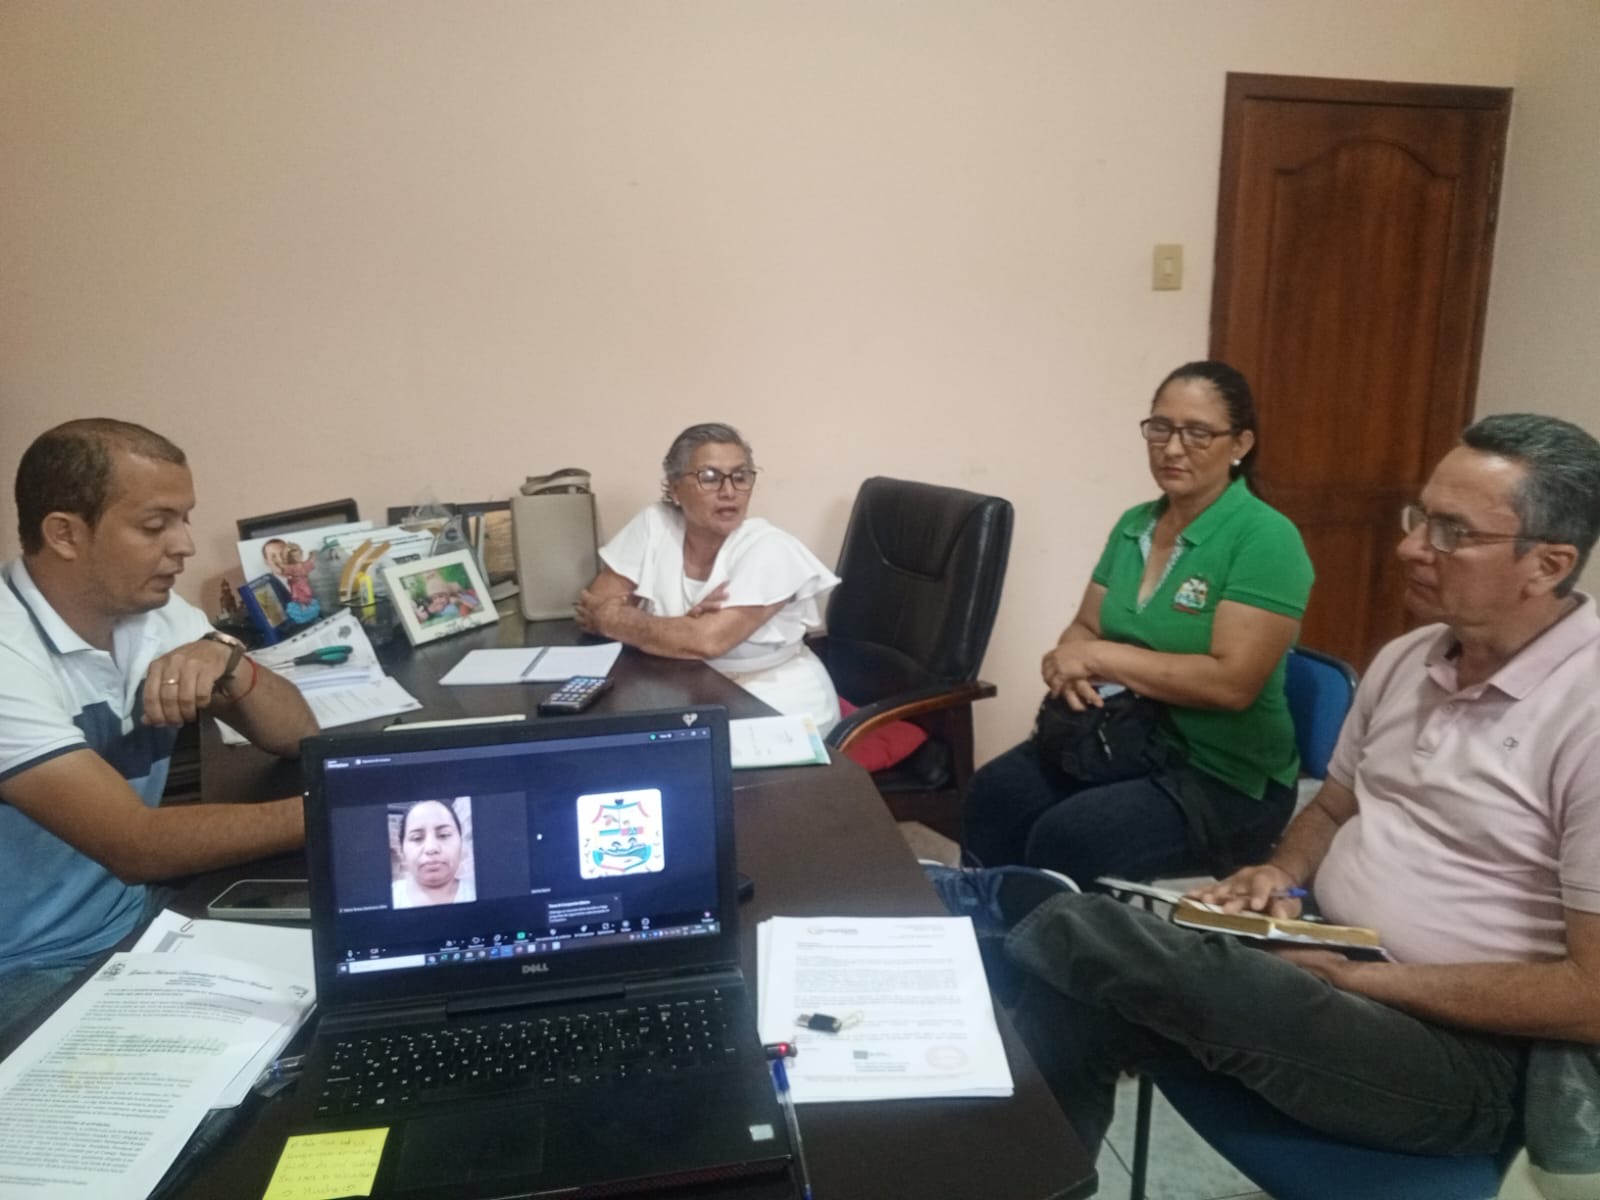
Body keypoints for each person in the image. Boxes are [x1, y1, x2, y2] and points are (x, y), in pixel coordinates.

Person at [978, 412, 1600, 1164]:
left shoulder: (1586, 712)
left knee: (1100, 937)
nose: (1410, 546)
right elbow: (1333, 806)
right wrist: (1281, 873)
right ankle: (1031, 1175)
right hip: (1329, 953)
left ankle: (983, 918)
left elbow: (1589, 997)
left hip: (1470, 1052)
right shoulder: (1411, 658)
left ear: (1548, 564)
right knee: (1081, 988)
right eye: (1420, 517)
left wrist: (1358, 982)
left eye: (1452, 532)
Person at [0, 419, 318, 1036]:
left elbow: (296, 735)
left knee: (359, 987)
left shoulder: (156, 611)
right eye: (155, 525)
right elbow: (134, 844)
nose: (185, 545)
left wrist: (229, 662)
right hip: (27, 965)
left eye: (185, 519)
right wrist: (334, 808)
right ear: (64, 534)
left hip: (134, 916)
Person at [962, 361, 1314, 885]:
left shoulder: (1265, 538)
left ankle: (1053, 937)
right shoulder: (1136, 524)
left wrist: (1101, 658)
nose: (1172, 448)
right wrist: (1071, 666)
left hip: (1221, 776)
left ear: (1240, 443)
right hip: (1122, 740)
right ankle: (985, 925)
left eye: (1197, 433)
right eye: (1160, 428)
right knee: (994, 794)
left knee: (1068, 839)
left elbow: (1232, 684)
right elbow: (1084, 628)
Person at [575, 422, 842, 734]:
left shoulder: (771, 547)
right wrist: (681, 629)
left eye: (740, 477)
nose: (729, 492)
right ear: (675, 489)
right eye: (710, 477)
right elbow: (593, 607)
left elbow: (706, 641)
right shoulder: (655, 524)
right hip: (691, 689)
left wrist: (621, 619)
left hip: (775, 701)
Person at [391, 798, 476, 907]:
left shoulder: (477, 893)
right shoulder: (389, 897)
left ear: (460, 841)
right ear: (402, 849)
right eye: (417, 838)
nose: (431, 848)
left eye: (444, 835)